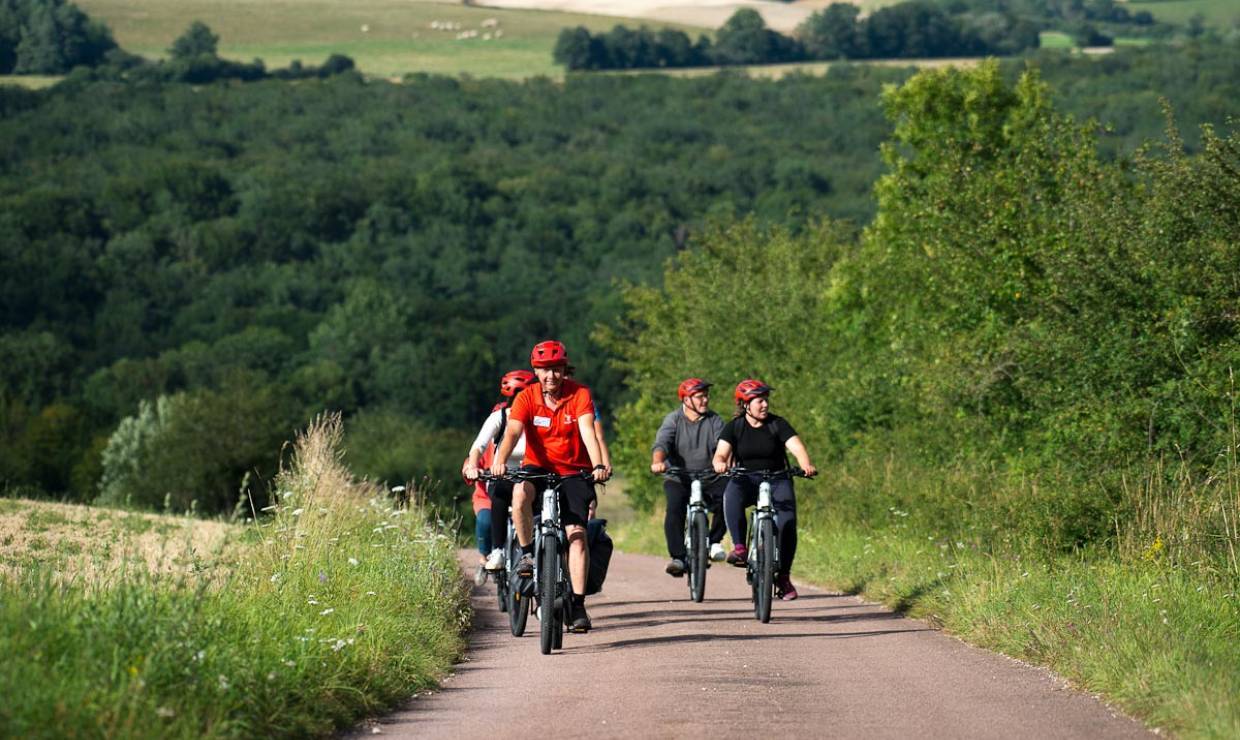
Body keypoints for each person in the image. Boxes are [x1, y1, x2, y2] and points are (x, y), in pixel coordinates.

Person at [491, 340, 609, 632]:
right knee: (519, 494)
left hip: (575, 470)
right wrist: (500, 460)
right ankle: (528, 554)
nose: (551, 376)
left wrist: (597, 465)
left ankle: (579, 605)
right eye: (544, 370)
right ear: (536, 371)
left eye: (556, 370)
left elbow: (588, 432)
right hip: (537, 467)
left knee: (577, 535)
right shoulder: (527, 397)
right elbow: (512, 432)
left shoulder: (579, 393)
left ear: (564, 370)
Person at [712, 379, 817, 601]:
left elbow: (796, 446)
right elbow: (720, 454)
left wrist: (806, 463)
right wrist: (720, 463)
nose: (765, 405)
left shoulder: (778, 424)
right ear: (745, 404)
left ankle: (783, 577)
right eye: (759, 401)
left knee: (787, 523)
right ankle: (740, 547)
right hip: (745, 478)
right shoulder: (735, 427)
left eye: (766, 400)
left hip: (777, 478)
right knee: (731, 494)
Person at [651, 377, 728, 576]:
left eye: (706, 396)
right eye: (700, 397)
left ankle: (713, 542)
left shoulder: (714, 420)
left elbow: (723, 445)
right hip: (679, 477)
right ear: (686, 400)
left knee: (728, 499)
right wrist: (658, 461)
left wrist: (724, 462)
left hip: (710, 476)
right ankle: (677, 557)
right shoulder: (674, 419)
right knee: (675, 508)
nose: (705, 400)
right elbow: (662, 443)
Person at [463, 370, 536, 574]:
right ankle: (497, 551)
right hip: (504, 474)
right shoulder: (500, 417)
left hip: (533, 474)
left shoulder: (539, 418)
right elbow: (479, 445)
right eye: (515, 397)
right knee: (501, 493)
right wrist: (472, 466)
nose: (519, 402)